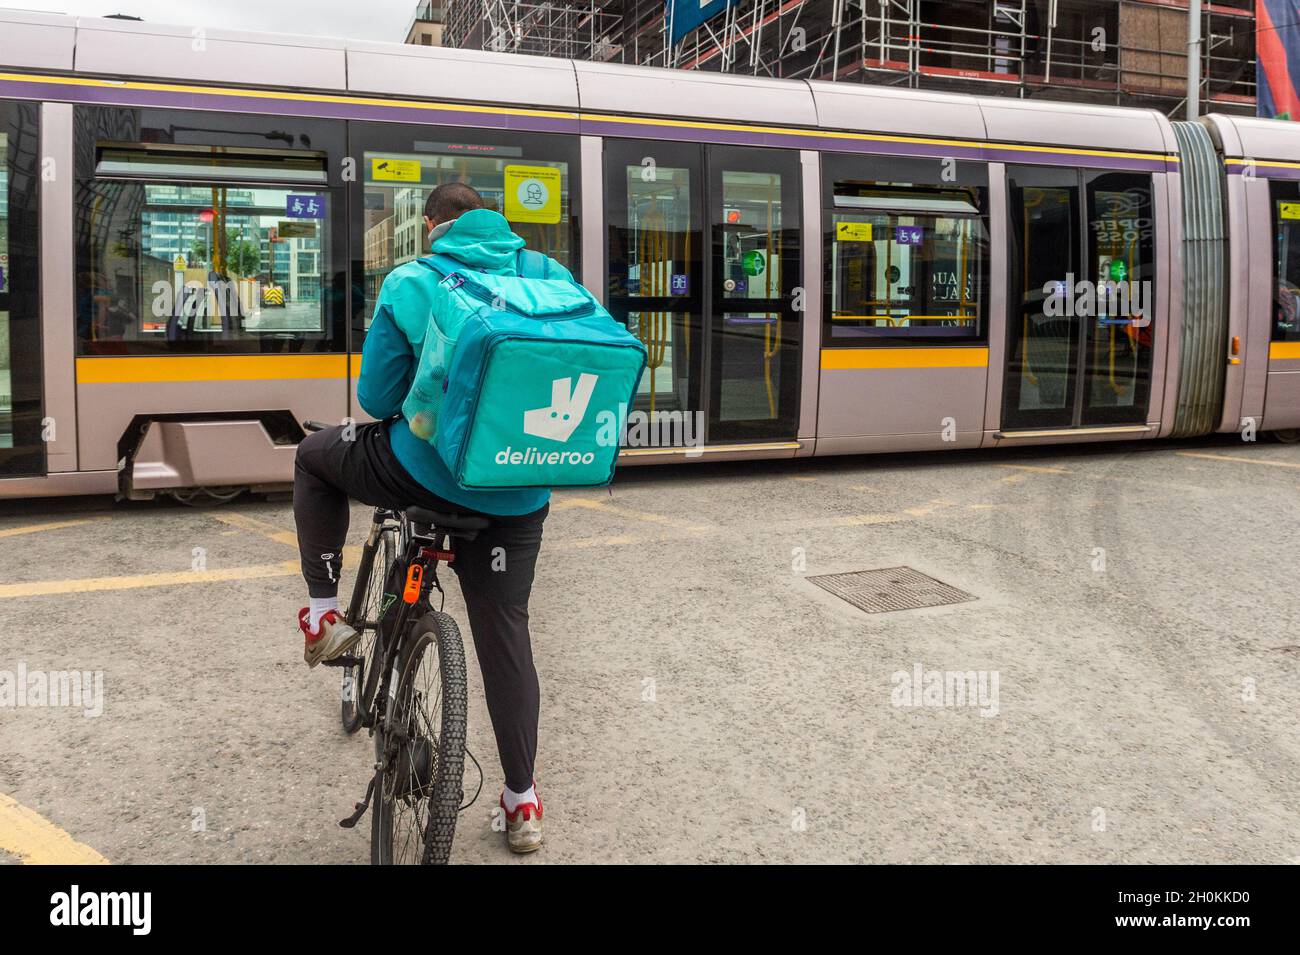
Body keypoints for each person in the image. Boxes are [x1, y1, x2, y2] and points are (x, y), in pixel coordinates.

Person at [292, 182, 567, 854]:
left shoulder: (414, 277)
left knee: (312, 456)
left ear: (434, 226)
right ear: (497, 223)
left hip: (425, 472)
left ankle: (324, 613)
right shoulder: (548, 274)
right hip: (520, 488)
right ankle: (522, 801)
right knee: (505, 634)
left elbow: (379, 396)